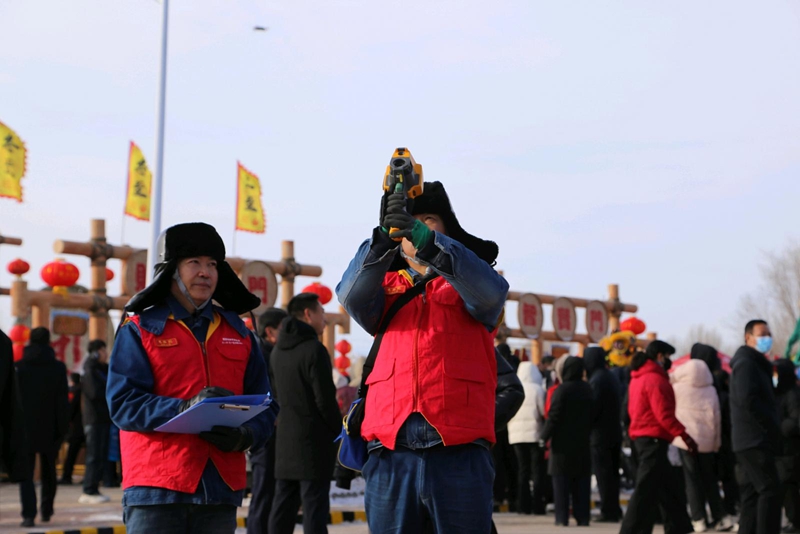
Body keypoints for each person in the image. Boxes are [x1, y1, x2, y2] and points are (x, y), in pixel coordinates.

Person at [337, 180, 508, 534]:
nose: (417, 227)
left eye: (429, 219)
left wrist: (430, 244)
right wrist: (382, 237)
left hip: (460, 450)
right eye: (408, 221)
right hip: (390, 451)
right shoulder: (383, 289)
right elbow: (350, 296)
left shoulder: (470, 280)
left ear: (447, 228)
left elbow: (492, 296)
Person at [106, 222, 278, 534]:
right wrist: (184, 409)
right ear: (170, 270)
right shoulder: (139, 330)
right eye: (194, 262)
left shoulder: (241, 335)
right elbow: (123, 404)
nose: (205, 272)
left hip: (220, 489)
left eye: (212, 264)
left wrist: (247, 435)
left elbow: (266, 404)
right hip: (156, 490)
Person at [267, 293, 342, 534]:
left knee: (283, 507)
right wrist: (338, 431)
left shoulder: (277, 352)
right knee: (314, 510)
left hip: (284, 442)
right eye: (322, 312)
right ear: (308, 314)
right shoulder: (314, 350)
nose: (325, 319)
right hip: (313, 445)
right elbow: (325, 401)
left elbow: (277, 396)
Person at [619, 340, 697, 534]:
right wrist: (685, 436)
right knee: (644, 491)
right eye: (668, 356)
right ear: (660, 356)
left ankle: (679, 528)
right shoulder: (655, 379)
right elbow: (664, 414)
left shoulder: (638, 377)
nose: (669, 361)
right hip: (652, 440)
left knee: (669, 490)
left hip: (643, 438)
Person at [730, 320, 781, 534]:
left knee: (752, 495)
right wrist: (769, 423)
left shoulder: (757, 363)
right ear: (748, 337)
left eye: (769, 334)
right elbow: (747, 400)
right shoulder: (746, 363)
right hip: (754, 438)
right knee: (770, 490)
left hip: (752, 439)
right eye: (762, 334)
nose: (767, 338)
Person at [15, 327, 69, 528]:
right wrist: (63, 429)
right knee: (49, 471)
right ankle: (46, 510)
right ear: (49, 341)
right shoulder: (58, 368)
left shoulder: (19, 367)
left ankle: (28, 515)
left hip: (24, 427)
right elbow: (62, 402)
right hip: (51, 427)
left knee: (26, 473)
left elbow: (14, 402)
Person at [671, 358, 733, 532]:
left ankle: (698, 519)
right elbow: (716, 418)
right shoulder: (711, 390)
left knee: (691, 480)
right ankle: (720, 516)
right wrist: (716, 443)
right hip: (707, 442)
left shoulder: (677, 388)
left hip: (685, 441)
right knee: (710, 480)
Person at [247, 307, 288, 534]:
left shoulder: (275, 354)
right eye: (284, 328)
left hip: (275, 434)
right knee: (263, 493)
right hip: (264, 434)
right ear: (270, 332)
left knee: (272, 494)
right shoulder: (260, 356)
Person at [539, 356, 593, 526]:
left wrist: (544, 437)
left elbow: (553, 416)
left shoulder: (562, 390)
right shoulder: (588, 389)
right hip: (583, 442)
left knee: (561, 483)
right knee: (582, 483)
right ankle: (582, 517)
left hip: (562, 444)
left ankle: (562, 517)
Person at [583, 346, 623, 523]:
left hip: (600, 435)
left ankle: (608, 510)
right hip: (614, 431)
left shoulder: (596, 380)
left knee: (603, 474)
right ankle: (614, 508)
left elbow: (593, 408)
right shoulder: (610, 376)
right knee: (613, 474)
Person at [507, 360, 547, 515]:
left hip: (516, 436)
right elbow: (543, 412)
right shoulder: (537, 389)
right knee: (536, 471)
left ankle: (523, 505)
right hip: (535, 434)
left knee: (522, 470)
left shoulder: (515, 389)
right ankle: (537, 505)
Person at [79, 339, 112, 503]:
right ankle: (89, 490)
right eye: (103, 350)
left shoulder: (102, 369)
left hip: (103, 418)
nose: (106, 354)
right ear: (96, 352)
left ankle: (94, 488)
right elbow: (94, 392)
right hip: (94, 419)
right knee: (93, 455)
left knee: (100, 455)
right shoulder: (90, 369)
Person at [775, 359, 800, 532]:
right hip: (783, 449)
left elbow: (794, 421)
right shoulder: (780, 392)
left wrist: (775, 426)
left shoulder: (792, 394)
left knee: (790, 486)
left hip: (791, 449)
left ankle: (796, 522)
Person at [59, 372, 85, 485]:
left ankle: (67, 476)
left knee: (71, 454)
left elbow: (71, 410)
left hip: (76, 428)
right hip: (85, 426)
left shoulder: (74, 392)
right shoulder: (83, 390)